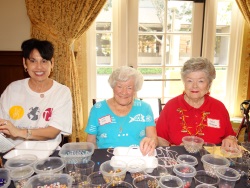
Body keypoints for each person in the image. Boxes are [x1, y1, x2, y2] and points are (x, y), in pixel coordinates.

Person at [0, 38, 72, 145]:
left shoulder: (62, 92)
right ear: (25, 63)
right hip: (13, 154)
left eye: (44, 61)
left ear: (52, 63)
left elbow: (53, 131)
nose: (39, 67)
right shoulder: (13, 89)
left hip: (48, 155)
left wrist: (18, 132)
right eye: (33, 61)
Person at [156, 57, 238, 149]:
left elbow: (229, 136)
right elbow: (160, 138)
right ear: (184, 83)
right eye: (189, 81)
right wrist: (175, 149)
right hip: (178, 160)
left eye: (201, 81)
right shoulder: (171, 106)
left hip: (211, 160)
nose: (194, 86)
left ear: (209, 84)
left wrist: (230, 139)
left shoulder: (219, 107)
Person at [85, 66, 158, 155]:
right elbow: (91, 142)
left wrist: (150, 142)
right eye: (119, 86)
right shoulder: (97, 109)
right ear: (113, 87)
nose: (124, 92)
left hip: (137, 161)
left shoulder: (145, 108)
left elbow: (153, 138)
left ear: (135, 89)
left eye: (129, 87)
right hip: (106, 161)